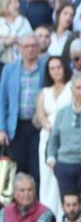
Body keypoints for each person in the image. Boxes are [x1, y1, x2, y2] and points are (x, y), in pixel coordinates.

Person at [0, 34, 43, 184]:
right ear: (19, 48)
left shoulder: (46, 67)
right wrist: (2, 128)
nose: (30, 49)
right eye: (26, 46)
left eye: (33, 46)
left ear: (39, 48)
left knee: (37, 168)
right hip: (16, 126)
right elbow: (2, 100)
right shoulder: (9, 69)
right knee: (16, 168)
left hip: (38, 126)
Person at [36, 56, 71, 213]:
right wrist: (49, 127)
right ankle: (47, 215)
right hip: (47, 136)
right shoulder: (45, 91)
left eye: (59, 67)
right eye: (52, 68)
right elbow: (41, 115)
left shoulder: (72, 87)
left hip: (67, 137)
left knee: (61, 177)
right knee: (47, 177)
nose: (56, 71)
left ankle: (64, 214)